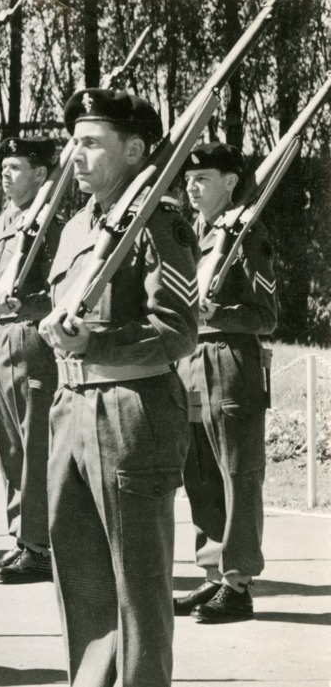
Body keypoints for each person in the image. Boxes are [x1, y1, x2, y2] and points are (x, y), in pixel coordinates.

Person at [37, 88, 199, 687]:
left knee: (138, 584)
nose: (74, 155)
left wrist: (96, 345)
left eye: (90, 143)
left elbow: (177, 330)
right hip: (72, 407)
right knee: (80, 575)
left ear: (134, 150)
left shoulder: (160, 222)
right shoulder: (79, 224)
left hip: (131, 413)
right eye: (73, 141)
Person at [174, 142, 277, 623]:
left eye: (204, 179)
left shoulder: (248, 235)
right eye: (189, 180)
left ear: (231, 182)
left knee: (238, 472)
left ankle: (238, 583)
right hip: (189, 360)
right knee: (199, 472)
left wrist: (219, 313)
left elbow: (266, 315)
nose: (192, 187)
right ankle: (213, 571)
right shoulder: (190, 234)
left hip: (230, 360)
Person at [0, 137, 59, 584]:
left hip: (31, 340)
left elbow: (66, 290)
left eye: (16, 166)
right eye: (3, 166)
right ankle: (22, 540)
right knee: (10, 447)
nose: (5, 173)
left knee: (36, 448)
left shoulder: (51, 226)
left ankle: (41, 544)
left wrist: (29, 307)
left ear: (41, 175)